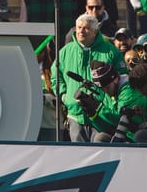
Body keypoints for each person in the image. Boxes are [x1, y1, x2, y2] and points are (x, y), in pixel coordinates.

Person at [52, 14, 126, 142]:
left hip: (102, 114)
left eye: (86, 28)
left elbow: (122, 78)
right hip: (76, 114)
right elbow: (55, 77)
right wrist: (64, 96)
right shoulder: (65, 51)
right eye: (79, 27)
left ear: (95, 31)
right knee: (78, 157)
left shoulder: (110, 51)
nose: (81, 31)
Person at [78, 60, 146, 142]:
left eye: (107, 87)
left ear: (116, 79)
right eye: (101, 88)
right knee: (100, 137)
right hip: (125, 135)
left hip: (140, 135)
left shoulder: (129, 90)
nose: (105, 91)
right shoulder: (109, 92)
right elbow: (107, 128)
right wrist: (92, 113)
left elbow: (121, 119)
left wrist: (98, 106)